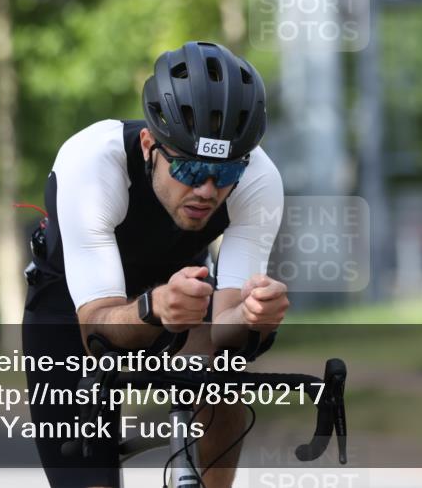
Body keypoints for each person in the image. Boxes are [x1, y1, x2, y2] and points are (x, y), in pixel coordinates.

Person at [22, 41, 288, 488]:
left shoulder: (259, 178)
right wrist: (154, 307)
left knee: (223, 375)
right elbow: (97, 331)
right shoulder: (93, 162)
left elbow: (225, 330)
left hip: (180, 288)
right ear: (149, 145)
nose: (207, 190)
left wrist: (250, 317)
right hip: (71, 305)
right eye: (189, 170)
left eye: (225, 173)